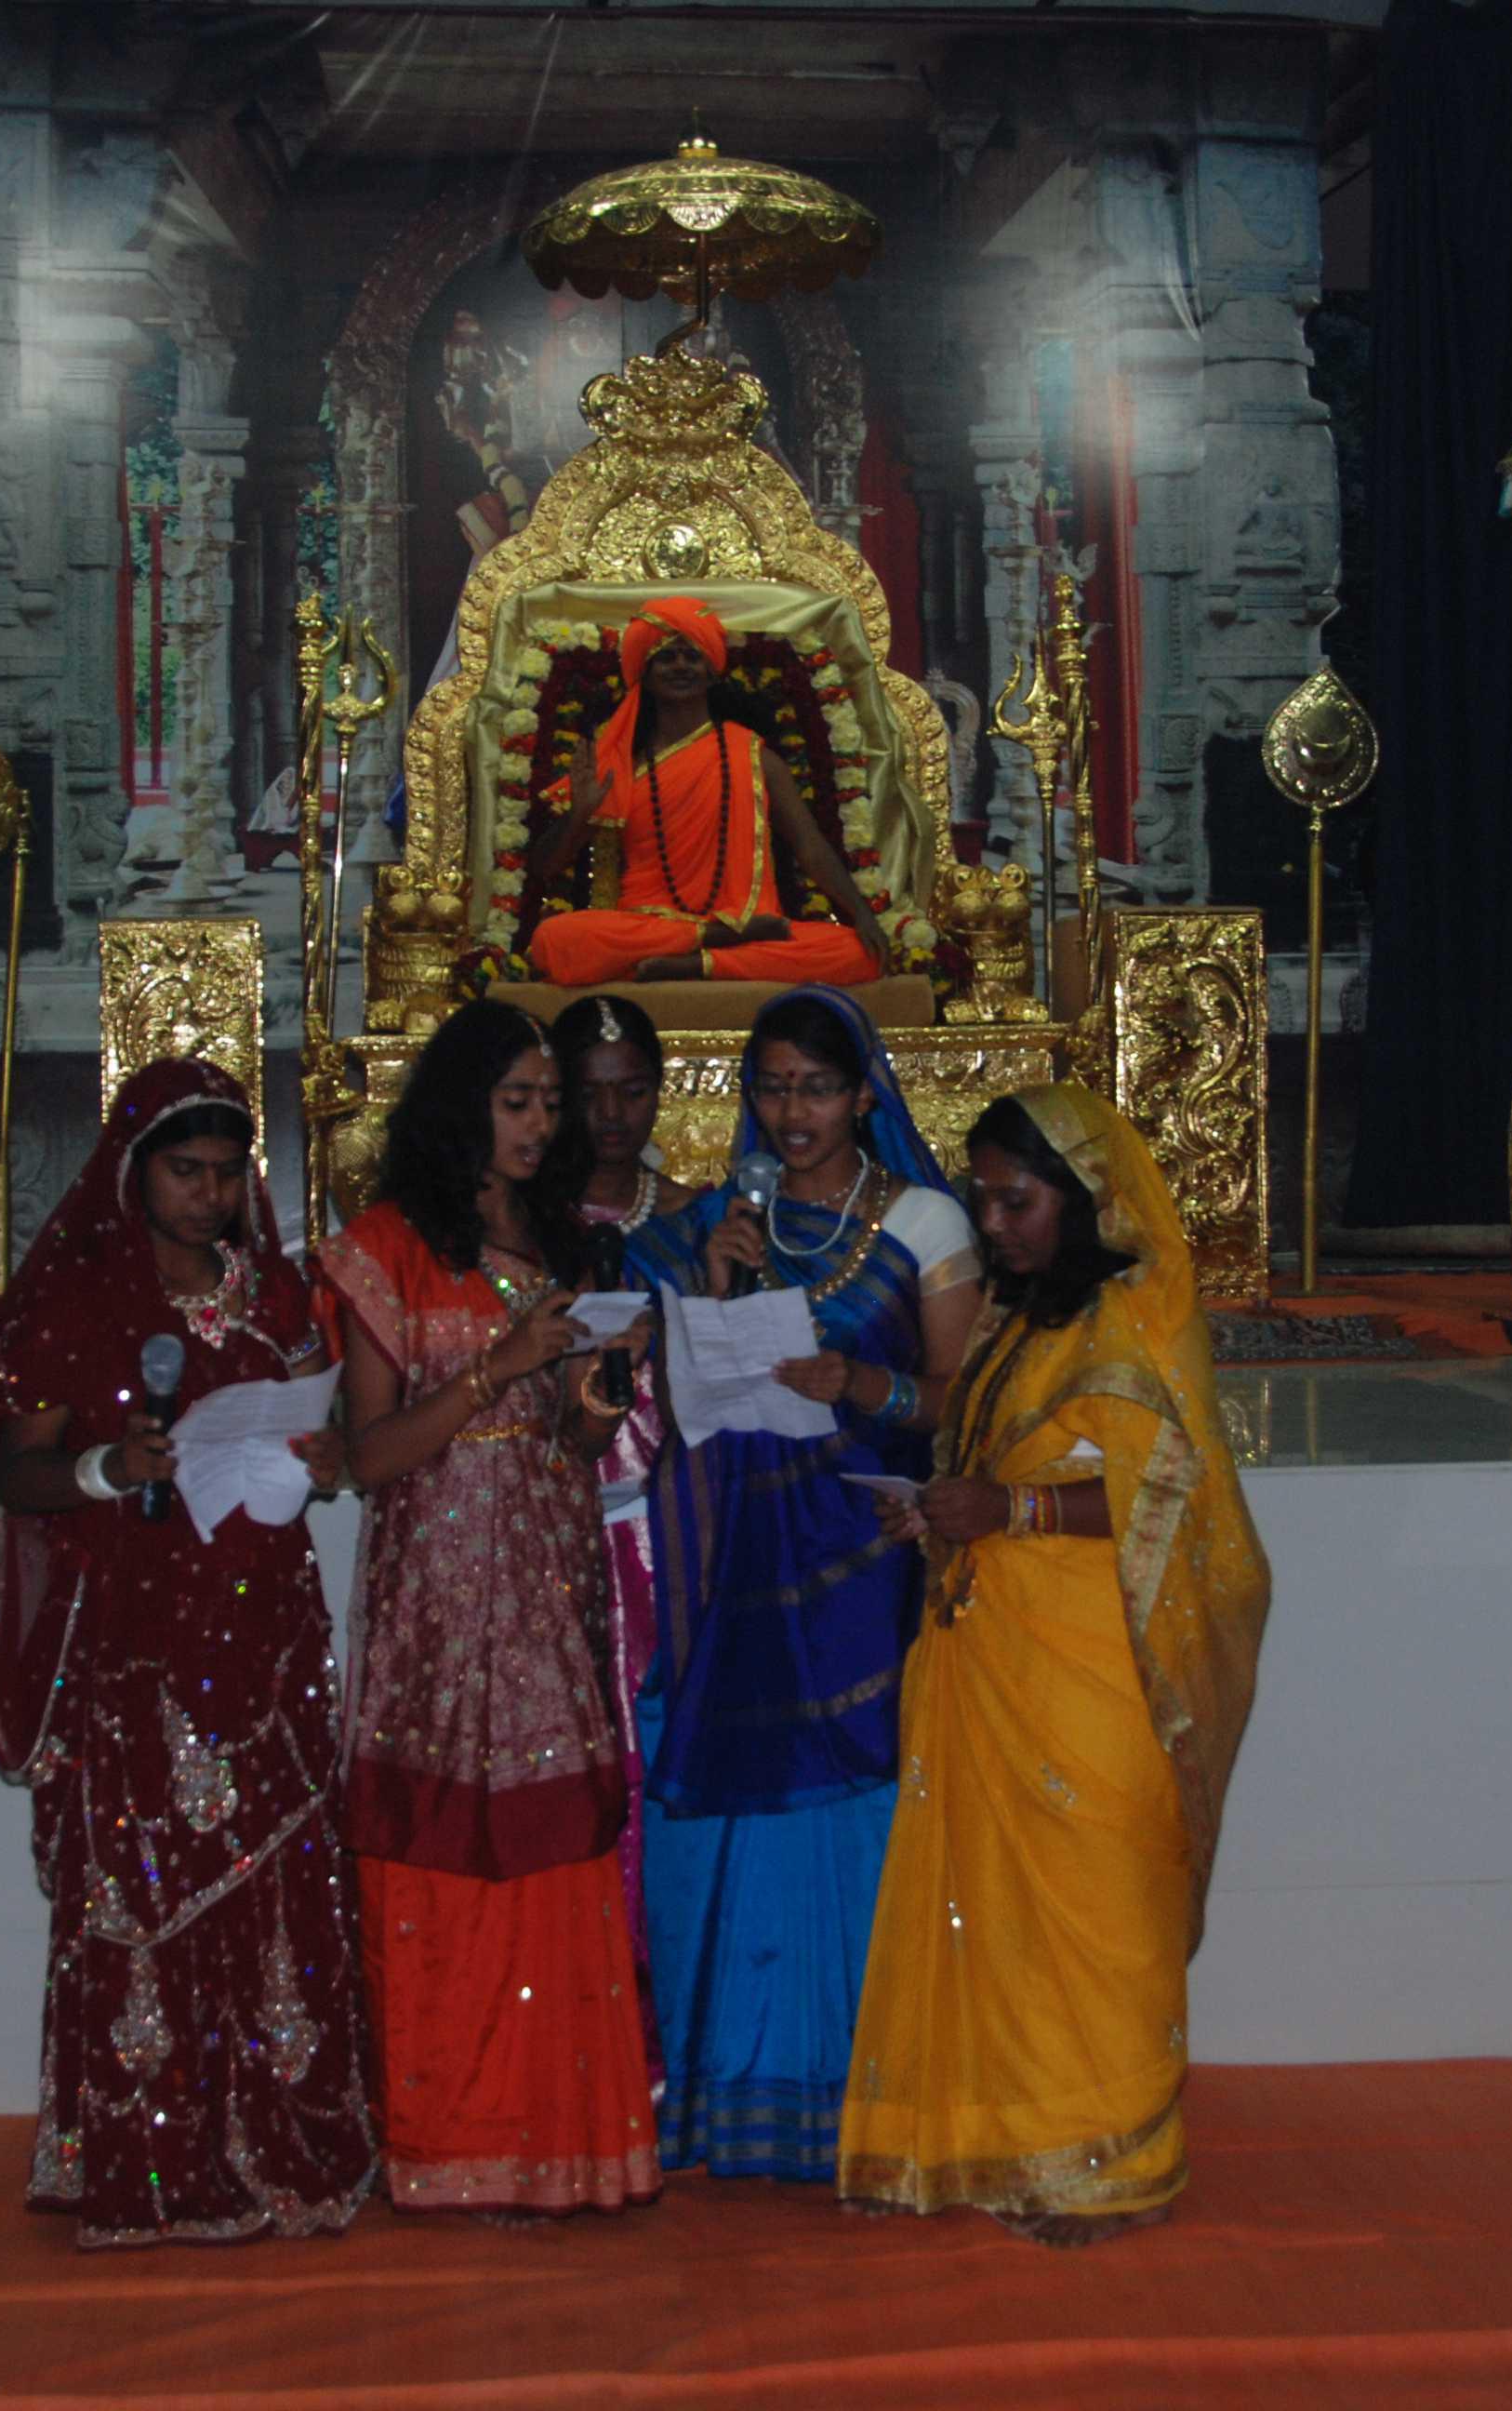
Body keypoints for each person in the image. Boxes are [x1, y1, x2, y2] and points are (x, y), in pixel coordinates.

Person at [841, 1084, 1271, 2244]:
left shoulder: (1132, 1318)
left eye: (1016, 1201)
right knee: (996, 1920)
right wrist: (939, 1509)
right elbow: (984, 1463)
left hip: (1093, 1668)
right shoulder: (1012, 1318)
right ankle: (1005, 2147)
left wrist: (1011, 1509)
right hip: (989, 1650)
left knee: (1094, 1910)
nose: (992, 1224)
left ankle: (1111, 2164)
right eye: (981, 1199)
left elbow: (1175, 1500)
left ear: (1081, 1199)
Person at [0, 1059, 374, 2245]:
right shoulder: (73, 1302)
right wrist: (110, 1468)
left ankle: (284, 2143)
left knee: (283, 1877)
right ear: (132, 1173)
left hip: (268, 1626)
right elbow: (19, 1473)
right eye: (185, 1173)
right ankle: (154, 2156)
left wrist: (324, 1458)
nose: (208, 1195)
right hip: (139, 1634)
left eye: (225, 1174)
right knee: (147, 1883)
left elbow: (315, 1418)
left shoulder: (276, 1292)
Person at [621, 986, 981, 2179]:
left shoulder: (923, 1222)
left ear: (863, 1094)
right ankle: (743, 2089)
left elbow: (961, 1406)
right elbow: (664, 1401)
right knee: (747, 1816)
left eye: (815, 1088)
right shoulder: (717, 1224)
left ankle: (871, 2090)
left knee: (858, 1799)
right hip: (737, 1559)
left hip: (866, 1558)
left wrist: (862, 1388)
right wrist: (710, 1291)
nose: (791, 1113)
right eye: (770, 1088)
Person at [322, 999, 662, 2216]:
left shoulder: (567, 1241)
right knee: (439, 1848)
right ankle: (447, 2137)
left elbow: (570, 1443)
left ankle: (563, 2136)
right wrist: (494, 1368)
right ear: (459, 1106)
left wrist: (601, 1396)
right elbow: (366, 1457)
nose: (538, 1125)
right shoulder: (388, 1248)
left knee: (554, 1842)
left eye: (547, 1104)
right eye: (515, 1102)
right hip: (434, 1598)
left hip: (546, 1582)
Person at [548, 994, 698, 2071]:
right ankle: (582, 2031)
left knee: (662, 1765)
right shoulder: (526, 1226)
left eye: (632, 1090)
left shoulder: (693, 1221)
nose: (612, 1115)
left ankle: (670, 2026)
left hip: (668, 1536)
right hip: (555, 1537)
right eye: (588, 1094)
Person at [526, 597, 889, 988]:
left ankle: (693, 962)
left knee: (856, 952)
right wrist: (579, 815)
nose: (680, 666)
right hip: (650, 924)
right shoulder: (621, 766)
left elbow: (808, 844)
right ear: (645, 674)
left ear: (712, 671)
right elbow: (545, 868)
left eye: (692, 656)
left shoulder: (754, 756)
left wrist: (860, 913)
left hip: (742, 923)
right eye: (666, 658)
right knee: (552, 939)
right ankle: (712, 940)